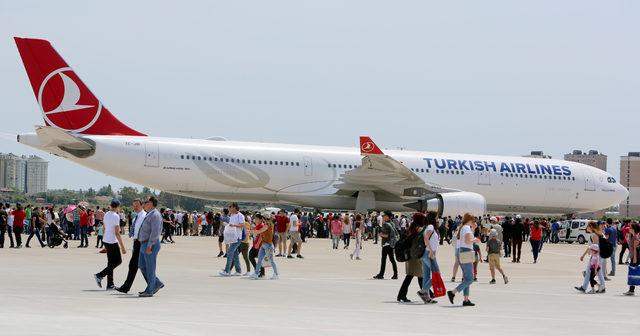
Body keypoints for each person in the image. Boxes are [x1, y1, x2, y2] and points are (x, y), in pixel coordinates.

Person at [114, 199, 147, 294]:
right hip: (136, 243)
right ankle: (153, 283)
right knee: (137, 265)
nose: (135, 207)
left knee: (136, 265)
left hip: (141, 243)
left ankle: (154, 283)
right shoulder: (136, 217)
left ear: (142, 205)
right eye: (134, 205)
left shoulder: (144, 216)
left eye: (137, 205)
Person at [447, 213, 480, 307]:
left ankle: (466, 299)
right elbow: (468, 241)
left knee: (466, 278)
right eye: (473, 220)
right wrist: (475, 240)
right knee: (470, 279)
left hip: (463, 251)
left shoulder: (465, 227)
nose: (474, 221)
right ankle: (453, 292)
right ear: (470, 219)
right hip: (466, 252)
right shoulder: (466, 228)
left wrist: (473, 228)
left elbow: (467, 238)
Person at [94, 199, 127, 290]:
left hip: (106, 240)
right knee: (118, 261)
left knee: (111, 263)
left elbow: (104, 228)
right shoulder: (116, 216)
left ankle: (110, 284)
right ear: (117, 207)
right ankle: (100, 275)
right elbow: (117, 232)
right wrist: (123, 247)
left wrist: (105, 241)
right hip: (112, 241)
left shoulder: (107, 214)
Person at [137, 196, 165, 297]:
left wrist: (150, 245)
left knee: (150, 268)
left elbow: (155, 232)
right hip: (144, 243)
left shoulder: (155, 215)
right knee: (142, 265)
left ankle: (149, 290)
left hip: (150, 244)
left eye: (146, 202)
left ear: (151, 203)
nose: (144, 204)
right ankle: (155, 283)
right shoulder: (150, 214)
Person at [397, 213, 425, 303]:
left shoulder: (412, 227)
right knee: (418, 276)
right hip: (416, 256)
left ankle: (401, 295)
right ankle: (426, 295)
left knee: (413, 276)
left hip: (411, 255)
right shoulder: (419, 229)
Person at [575, 221, 606, 294]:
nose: (586, 228)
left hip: (595, 256)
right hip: (598, 255)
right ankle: (587, 287)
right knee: (595, 271)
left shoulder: (593, 235)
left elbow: (595, 247)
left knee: (595, 271)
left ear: (591, 227)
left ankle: (599, 286)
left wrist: (585, 255)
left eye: (588, 226)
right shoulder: (598, 234)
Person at [418, 212, 440, 304]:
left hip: (425, 253)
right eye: (437, 217)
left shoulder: (428, 226)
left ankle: (426, 298)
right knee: (436, 274)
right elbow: (426, 237)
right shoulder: (430, 226)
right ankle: (423, 291)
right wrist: (431, 251)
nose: (438, 219)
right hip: (429, 253)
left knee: (426, 276)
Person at [249, 214, 279, 280]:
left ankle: (276, 274)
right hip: (263, 244)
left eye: (262, 218)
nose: (262, 220)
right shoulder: (267, 224)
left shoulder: (268, 225)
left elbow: (259, 231)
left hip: (268, 245)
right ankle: (256, 274)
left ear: (264, 219)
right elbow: (260, 233)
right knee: (259, 260)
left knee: (271, 260)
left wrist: (250, 231)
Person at [220, 203, 245, 276]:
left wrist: (234, 225)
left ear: (234, 207)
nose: (229, 208)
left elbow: (243, 225)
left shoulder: (240, 215)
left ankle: (227, 271)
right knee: (235, 254)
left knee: (230, 252)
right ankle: (238, 271)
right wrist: (227, 225)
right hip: (232, 237)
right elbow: (231, 225)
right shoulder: (232, 215)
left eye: (230, 207)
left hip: (237, 238)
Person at [373, 210, 398, 280]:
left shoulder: (386, 224)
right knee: (392, 259)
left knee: (383, 260)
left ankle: (381, 274)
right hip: (391, 244)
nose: (383, 217)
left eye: (384, 216)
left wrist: (380, 234)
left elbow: (386, 235)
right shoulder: (392, 223)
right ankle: (395, 274)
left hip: (386, 244)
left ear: (387, 217)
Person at [623, 223, 640, 296]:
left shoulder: (636, 237)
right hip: (633, 257)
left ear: (634, 229)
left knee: (634, 273)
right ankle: (631, 290)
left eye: (630, 227)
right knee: (633, 273)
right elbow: (631, 247)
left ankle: (631, 290)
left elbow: (636, 249)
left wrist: (635, 259)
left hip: (635, 257)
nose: (629, 228)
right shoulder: (632, 236)